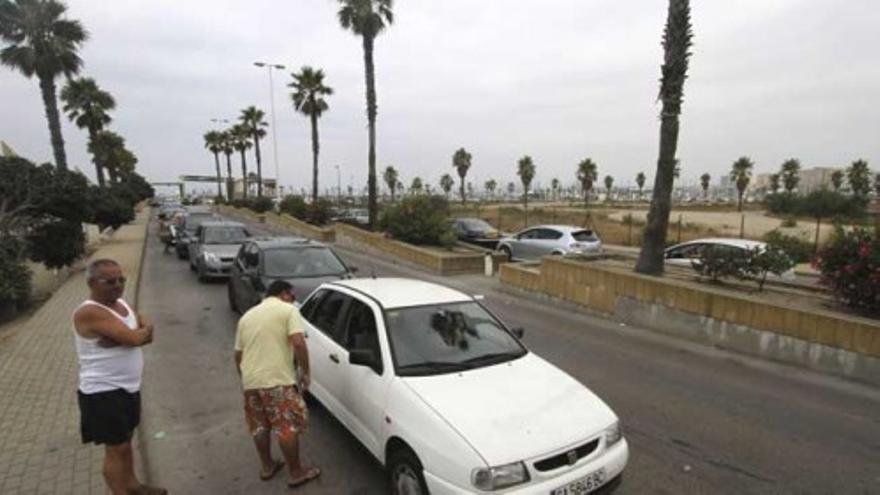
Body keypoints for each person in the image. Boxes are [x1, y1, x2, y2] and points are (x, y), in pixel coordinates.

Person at [72, 259, 167, 495]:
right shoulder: (89, 311)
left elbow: (146, 329)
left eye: (121, 279)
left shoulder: (121, 304)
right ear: (92, 283)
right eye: (110, 281)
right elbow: (137, 339)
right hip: (103, 391)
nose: (118, 285)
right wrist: (132, 336)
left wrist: (126, 336)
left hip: (127, 388)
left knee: (126, 441)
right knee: (115, 448)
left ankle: (133, 485)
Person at [234, 280, 320, 488]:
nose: (293, 299)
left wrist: (246, 377)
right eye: (292, 295)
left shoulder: (247, 316)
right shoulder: (287, 310)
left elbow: (238, 354)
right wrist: (305, 371)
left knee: (260, 425)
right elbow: (298, 342)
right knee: (286, 426)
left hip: (251, 382)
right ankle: (296, 472)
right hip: (276, 381)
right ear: (283, 294)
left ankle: (267, 466)